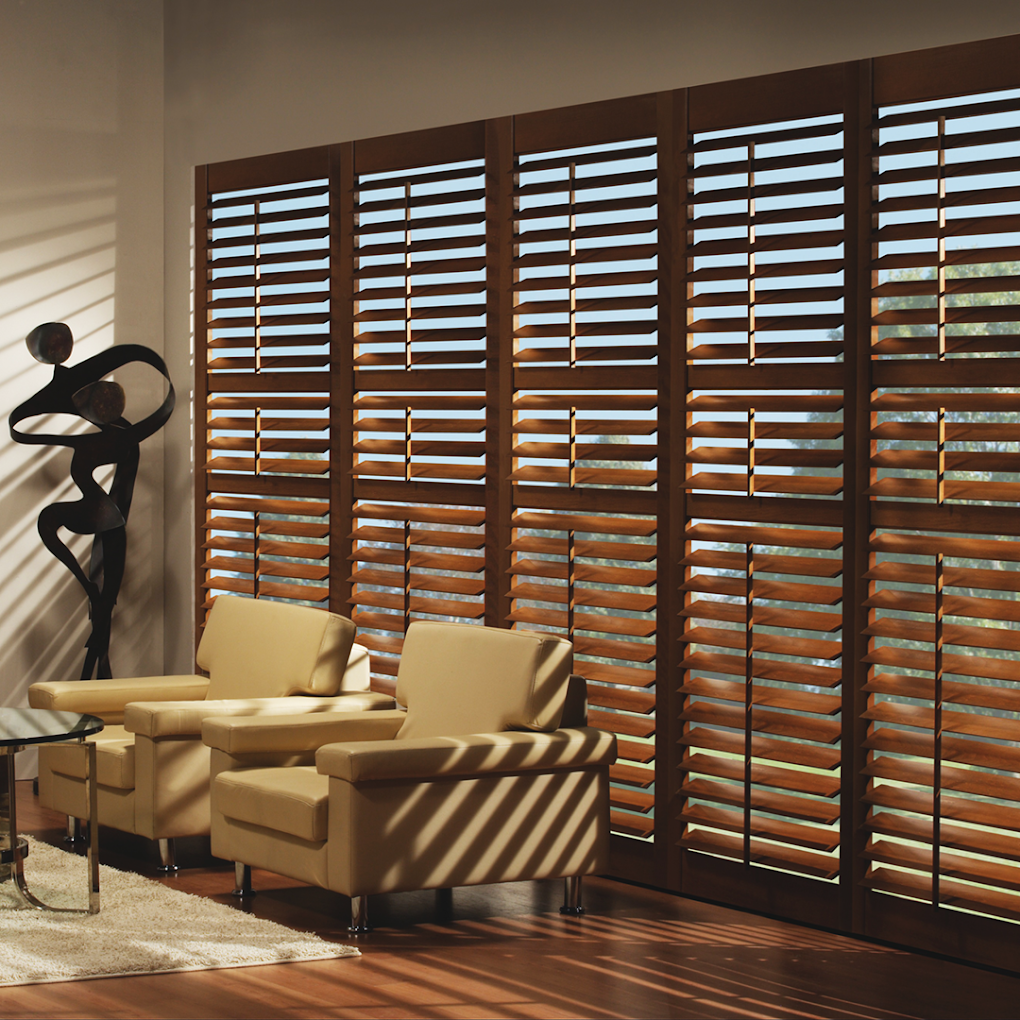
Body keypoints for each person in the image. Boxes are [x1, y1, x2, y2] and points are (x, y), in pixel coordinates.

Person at [9, 322, 174, 679]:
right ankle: (95, 615)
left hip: (110, 516)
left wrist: (77, 440)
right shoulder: (103, 430)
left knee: (102, 598)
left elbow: (22, 429)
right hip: (104, 513)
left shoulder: (118, 438)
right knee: (50, 523)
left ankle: (98, 660)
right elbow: (19, 429)